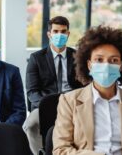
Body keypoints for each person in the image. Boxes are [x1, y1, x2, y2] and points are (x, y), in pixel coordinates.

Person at [53, 26, 122, 155]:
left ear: (121, 66)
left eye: (114, 60)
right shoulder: (69, 101)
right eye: (99, 60)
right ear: (89, 65)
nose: (106, 65)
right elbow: (60, 150)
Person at [24, 16, 82, 154]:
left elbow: (84, 87)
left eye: (63, 31)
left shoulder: (78, 56)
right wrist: (47, 105)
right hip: (44, 105)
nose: (59, 35)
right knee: (30, 125)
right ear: (49, 34)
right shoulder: (36, 58)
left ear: (68, 34)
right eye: (56, 31)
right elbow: (32, 92)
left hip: (73, 104)